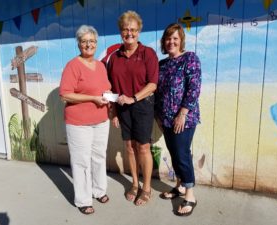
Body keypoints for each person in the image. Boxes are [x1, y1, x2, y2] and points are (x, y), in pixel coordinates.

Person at [103, 10, 159, 206]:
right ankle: (135, 183)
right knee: (129, 147)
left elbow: (153, 84)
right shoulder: (115, 57)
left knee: (143, 147)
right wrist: (114, 111)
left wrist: (133, 98)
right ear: (120, 32)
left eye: (133, 30)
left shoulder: (148, 53)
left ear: (139, 31)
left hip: (143, 106)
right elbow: (110, 87)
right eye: (126, 29)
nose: (129, 33)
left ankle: (146, 187)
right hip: (122, 108)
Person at [59, 25, 111, 215]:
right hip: (78, 123)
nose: (88, 44)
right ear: (79, 44)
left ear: (96, 44)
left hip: (101, 120)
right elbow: (65, 95)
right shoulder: (73, 65)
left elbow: (104, 88)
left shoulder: (100, 66)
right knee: (81, 161)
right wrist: (93, 98)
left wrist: (108, 96)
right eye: (84, 41)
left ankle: (99, 191)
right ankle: (83, 199)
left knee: (99, 157)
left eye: (92, 41)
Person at [156, 23, 201, 216]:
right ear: (164, 42)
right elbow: (158, 92)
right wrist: (158, 115)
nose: (171, 42)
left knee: (182, 154)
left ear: (181, 40)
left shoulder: (190, 59)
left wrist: (182, 113)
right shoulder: (162, 64)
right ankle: (180, 186)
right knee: (175, 154)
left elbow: (194, 88)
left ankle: (190, 195)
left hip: (184, 118)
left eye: (175, 38)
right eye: (168, 38)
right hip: (165, 119)